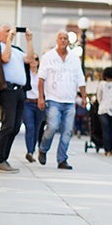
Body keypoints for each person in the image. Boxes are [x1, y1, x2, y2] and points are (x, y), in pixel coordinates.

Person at [0, 24, 34, 173]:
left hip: (19, 91)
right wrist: (9, 40)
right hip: (8, 90)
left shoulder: (17, 50)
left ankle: (4, 158)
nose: (10, 32)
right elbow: (5, 58)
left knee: (16, 127)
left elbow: (29, 59)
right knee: (8, 125)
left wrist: (29, 40)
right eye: (7, 31)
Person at [37, 31, 87, 170]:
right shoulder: (48, 57)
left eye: (66, 38)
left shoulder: (74, 58)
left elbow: (80, 79)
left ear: (69, 41)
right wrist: (41, 97)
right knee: (52, 127)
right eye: (61, 38)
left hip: (70, 101)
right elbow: (41, 79)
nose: (64, 40)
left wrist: (84, 97)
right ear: (57, 40)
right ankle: (43, 148)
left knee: (67, 131)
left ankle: (62, 159)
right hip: (53, 99)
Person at [97, 67, 112, 156]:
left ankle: (107, 150)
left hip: (103, 109)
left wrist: (102, 104)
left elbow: (99, 97)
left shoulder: (101, 84)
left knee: (106, 130)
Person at [22, 55, 43, 162]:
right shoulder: (25, 74)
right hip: (27, 103)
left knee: (37, 128)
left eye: (36, 59)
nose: (34, 61)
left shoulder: (42, 75)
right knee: (30, 127)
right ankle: (29, 151)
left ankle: (32, 150)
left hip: (39, 103)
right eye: (32, 59)